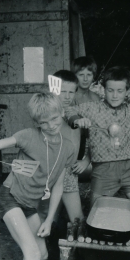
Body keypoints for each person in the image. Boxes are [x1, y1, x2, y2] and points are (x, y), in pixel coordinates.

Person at [0, 92, 75, 260]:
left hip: (30, 205)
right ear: (37, 122)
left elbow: (58, 186)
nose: (51, 125)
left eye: (54, 118)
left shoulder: (68, 147)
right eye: (43, 122)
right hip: (10, 197)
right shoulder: (29, 136)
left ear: (62, 112)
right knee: (33, 254)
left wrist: (48, 220)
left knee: (42, 255)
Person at [66, 66, 130, 213]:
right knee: (96, 216)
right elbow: (69, 110)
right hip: (102, 173)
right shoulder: (92, 108)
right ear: (103, 89)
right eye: (110, 90)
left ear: (127, 91)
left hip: (128, 171)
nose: (114, 95)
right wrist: (76, 120)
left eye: (120, 91)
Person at [38, 70, 91, 223]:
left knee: (77, 217)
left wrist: (86, 160)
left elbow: (94, 138)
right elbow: (66, 115)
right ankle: (48, 241)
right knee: (48, 215)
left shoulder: (77, 111)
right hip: (49, 170)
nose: (67, 96)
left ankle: (77, 243)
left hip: (68, 172)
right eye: (62, 91)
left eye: (71, 92)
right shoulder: (47, 112)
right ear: (53, 90)